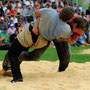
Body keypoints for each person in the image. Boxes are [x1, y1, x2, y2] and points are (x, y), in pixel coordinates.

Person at [3, 7, 88, 83]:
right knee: (31, 52)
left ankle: (61, 73)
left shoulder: (70, 29)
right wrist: (36, 25)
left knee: (65, 55)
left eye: (80, 34)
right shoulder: (60, 15)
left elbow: (70, 41)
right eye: (78, 33)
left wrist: (64, 36)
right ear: (74, 23)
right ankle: (12, 59)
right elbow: (42, 14)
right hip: (44, 33)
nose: (78, 35)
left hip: (52, 37)